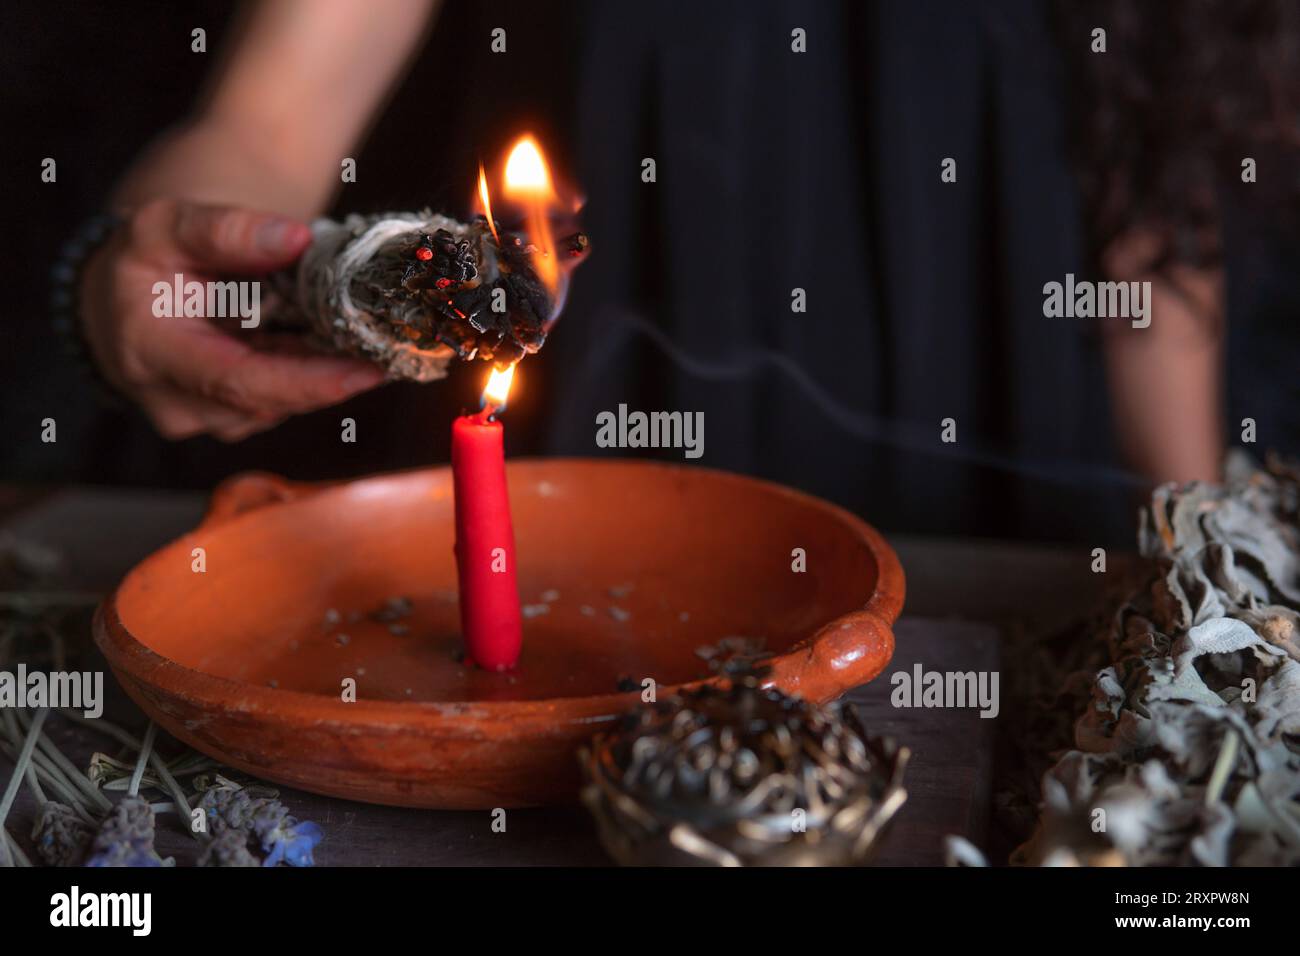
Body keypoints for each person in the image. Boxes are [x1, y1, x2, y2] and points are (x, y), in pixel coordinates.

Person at [64, 0, 1300, 539]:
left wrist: (1194, 544)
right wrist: (152, 260)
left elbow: (1160, 146)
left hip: (984, 475)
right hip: (567, 477)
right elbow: (271, 124)